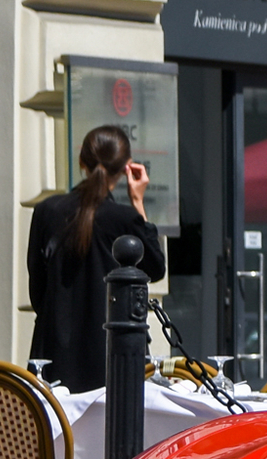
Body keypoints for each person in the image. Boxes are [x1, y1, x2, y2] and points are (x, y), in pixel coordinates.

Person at [28, 125, 165, 391]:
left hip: (53, 356)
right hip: (111, 358)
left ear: (81, 161)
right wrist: (138, 203)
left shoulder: (46, 211)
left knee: (54, 430)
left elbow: (37, 290)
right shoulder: (123, 218)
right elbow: (156, 267)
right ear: (127, 168)